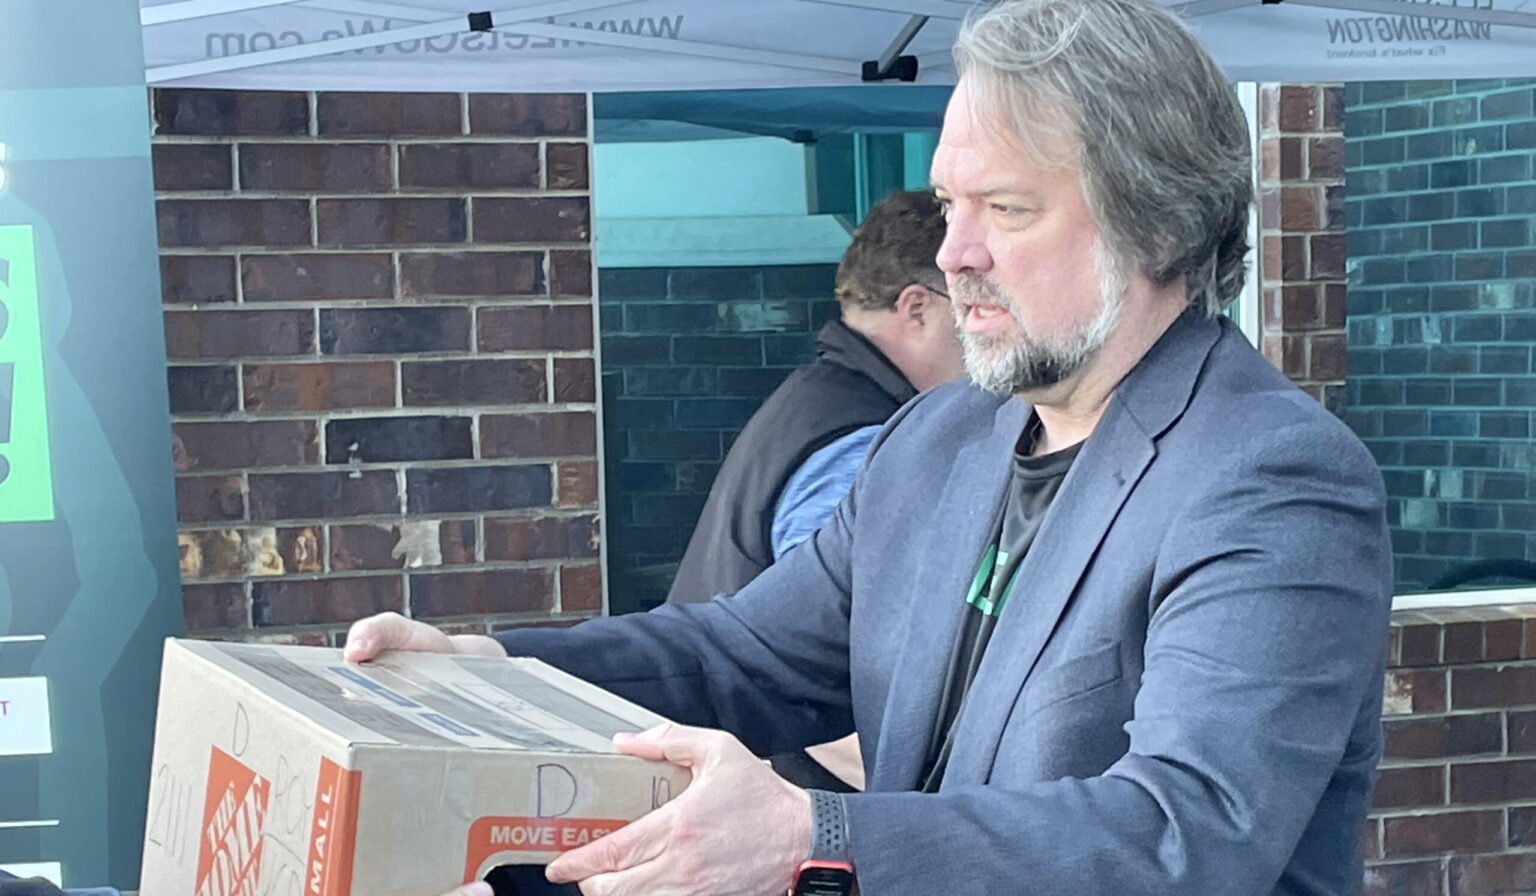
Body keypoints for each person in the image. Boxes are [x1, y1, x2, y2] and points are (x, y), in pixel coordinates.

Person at [350, 2, 1394, 894]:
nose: (955, 253)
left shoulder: (1271, 478)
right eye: (948, 205)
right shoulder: (939, 436)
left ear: (1158, 223)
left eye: (1006, 208)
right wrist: (498, 670)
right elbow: (742, 656)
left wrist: (812, 835)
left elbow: (1186, 835)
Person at [668, 188, 963, 791]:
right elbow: (827, 667)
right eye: (976, 302)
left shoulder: (819, 403)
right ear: (917, 308)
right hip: (795, 805)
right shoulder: (861, 442)